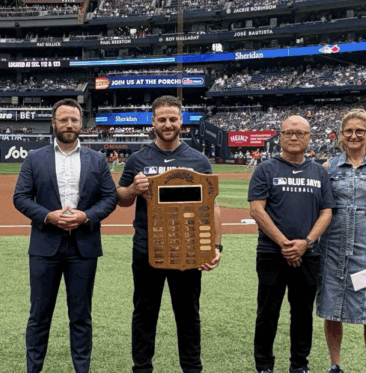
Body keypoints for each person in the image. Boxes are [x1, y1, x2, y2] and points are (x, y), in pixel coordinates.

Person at [115, 96, 222, 373]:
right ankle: (142, 368)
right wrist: (133, 190)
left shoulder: (197, 159)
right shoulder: (138, 159)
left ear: (181, 121)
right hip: (146, 248)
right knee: (144, 313)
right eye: (162, 119)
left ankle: (191, 368)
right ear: (153, 122)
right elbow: (122, 199)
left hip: (188, 249)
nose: (168, 124)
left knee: (188, 315)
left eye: (173, 119)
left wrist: (215, 247)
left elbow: (212, 207)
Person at [13, 98, 118, 373]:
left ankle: (81, 370)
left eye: (74, 120)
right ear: (54, 123)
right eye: (63, 120)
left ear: (80, 124)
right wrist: (49, 216)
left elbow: (109, 198)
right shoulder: (35, 158)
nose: (69, 125)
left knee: (81, 317)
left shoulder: (96, 159)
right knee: (39, 317)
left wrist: (86, 217)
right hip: (44, 246)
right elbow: (21, 197)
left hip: (84, 248)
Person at [249, 115, 335, 373]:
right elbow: (257, 209)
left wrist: (306, 243)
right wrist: (286, 244)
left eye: (300, 133)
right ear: (280, 137)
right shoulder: (265, 169)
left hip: (308, 255)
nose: (294, 137)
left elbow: (327, 212)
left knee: (302, 314)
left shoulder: (319, 171)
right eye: (288, 133)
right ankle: (264, 366)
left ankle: (299, 365)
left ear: (309, 137)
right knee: (267, 312)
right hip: (271, 253)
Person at [317, 109, 366, 373]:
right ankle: (335, 365)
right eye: (349, 131)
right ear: (341, 134)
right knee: (332, 310)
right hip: (332, 247)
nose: (354, 135)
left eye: (359, 131)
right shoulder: (328, 167)